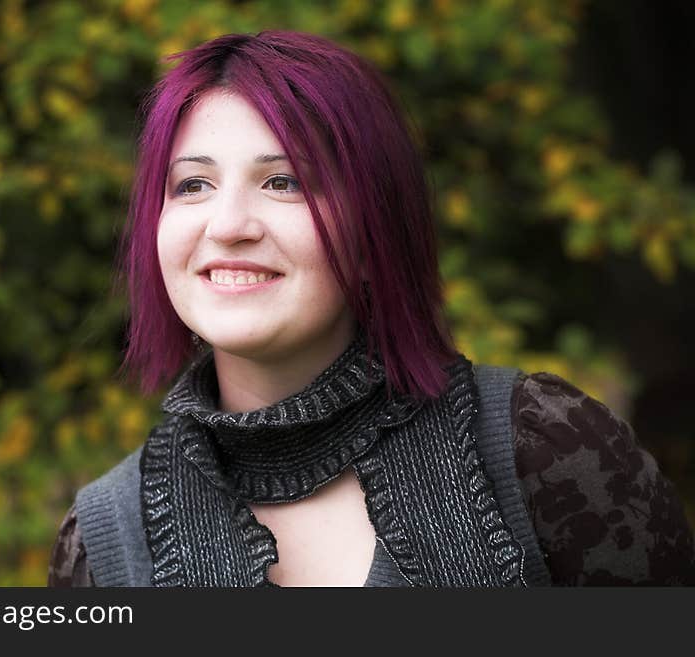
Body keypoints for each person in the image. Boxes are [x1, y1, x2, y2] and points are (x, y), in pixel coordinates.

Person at [48, 31, 695, 587]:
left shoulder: (549, 456)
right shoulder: (107, 544)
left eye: (285, 181)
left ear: (373, 227)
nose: (229, 224)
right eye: (193, 185)